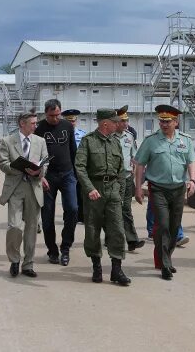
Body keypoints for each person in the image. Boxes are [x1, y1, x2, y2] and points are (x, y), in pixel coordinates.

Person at [134, 105, 195, 281]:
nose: (164, 124)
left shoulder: (185, 140)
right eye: (161, 121)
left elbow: (191, 161)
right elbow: (140, 164)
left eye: (167, 121)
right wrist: (138, 188)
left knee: (174, 226)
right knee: (162, 225)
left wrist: (192, 180)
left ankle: (167, 256)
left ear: (176, 122)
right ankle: (164, 263)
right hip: (158, 188)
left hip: (178, 189)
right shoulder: (151, 141)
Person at [75, 108, 131, 285]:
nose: (118, 124)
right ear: (105, 123)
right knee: (92, 230)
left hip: (113, 190)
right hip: (94, 191)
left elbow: (121, 169)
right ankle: (97, 267)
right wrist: (89, 188)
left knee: (117, 230)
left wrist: (120, 192)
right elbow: (80, 167)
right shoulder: (88, 141)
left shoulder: (116, 142)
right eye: (115, 122)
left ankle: (116, 270)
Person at [0, 110, 48, 278]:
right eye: (33, 123)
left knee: (32, 228)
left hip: (34, 188)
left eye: (36, 123)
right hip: (15, 188)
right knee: (14, 226)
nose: (36, 126)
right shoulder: (8, 141)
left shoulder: (40, 141)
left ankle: (28, 264)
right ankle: (14, 260)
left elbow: (46, 162)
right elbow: (2, 162)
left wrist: (39, 171)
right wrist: (18, 167)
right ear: (22, 124)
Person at [35, 99, 78, 266]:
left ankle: (66, 247)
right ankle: (52, 250)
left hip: (67, 175)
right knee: (47, 216)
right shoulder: (39, 129)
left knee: (73, 209)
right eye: (51, 115)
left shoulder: (67, 126)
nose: (55, 118)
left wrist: (76, 174)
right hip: (48, 176)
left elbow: (73, 150)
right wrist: (40, 176)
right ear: (45, 113)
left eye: (57, 114)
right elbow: (35, 155)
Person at [114, 105, 145, 251]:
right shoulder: (108, 136)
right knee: (112, 209)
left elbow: (135, 157)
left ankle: (132, 240)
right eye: (122, 121)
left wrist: (136, 168)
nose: (126, 123)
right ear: (116, 121)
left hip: (126, 177)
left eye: (127, 120)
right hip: (113, 179)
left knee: (126, 209)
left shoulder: (129, 136)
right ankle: (111, 237)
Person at [62, 108, 87, 224]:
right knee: (67, 192)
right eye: (68, 121)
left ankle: (81, 216)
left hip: (80, 166)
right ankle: (68, 215)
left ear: (76, 121)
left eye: (73, 121)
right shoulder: (61, 135)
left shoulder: (83, 135)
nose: (71, 123)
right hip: (67, 167)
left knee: (81, 191)